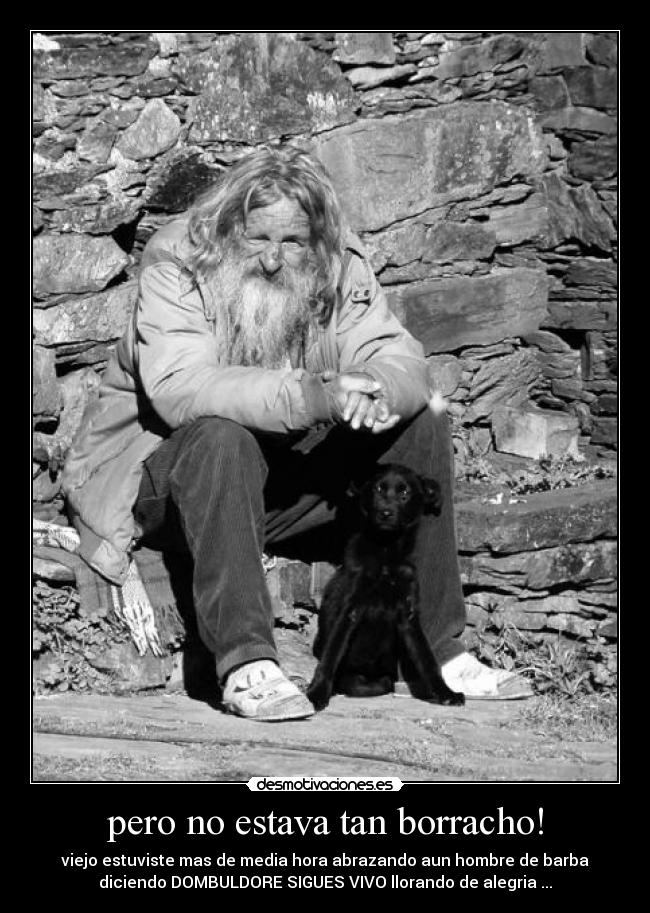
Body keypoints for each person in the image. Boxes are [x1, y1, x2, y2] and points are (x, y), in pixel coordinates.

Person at [62, 146, 532, 722]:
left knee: (423, 417)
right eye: (257, 239)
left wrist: (375, 387)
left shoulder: (338, 261)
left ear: (315, 238)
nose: (272, 259)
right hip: (168, 482)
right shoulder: (177, 266)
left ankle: (440, 648)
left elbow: (395, 354)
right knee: (221, 435)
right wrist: (311, 395)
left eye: (291, 243)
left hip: (275, 481)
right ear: (230, 227)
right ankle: (246, 663)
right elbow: (182, 386)